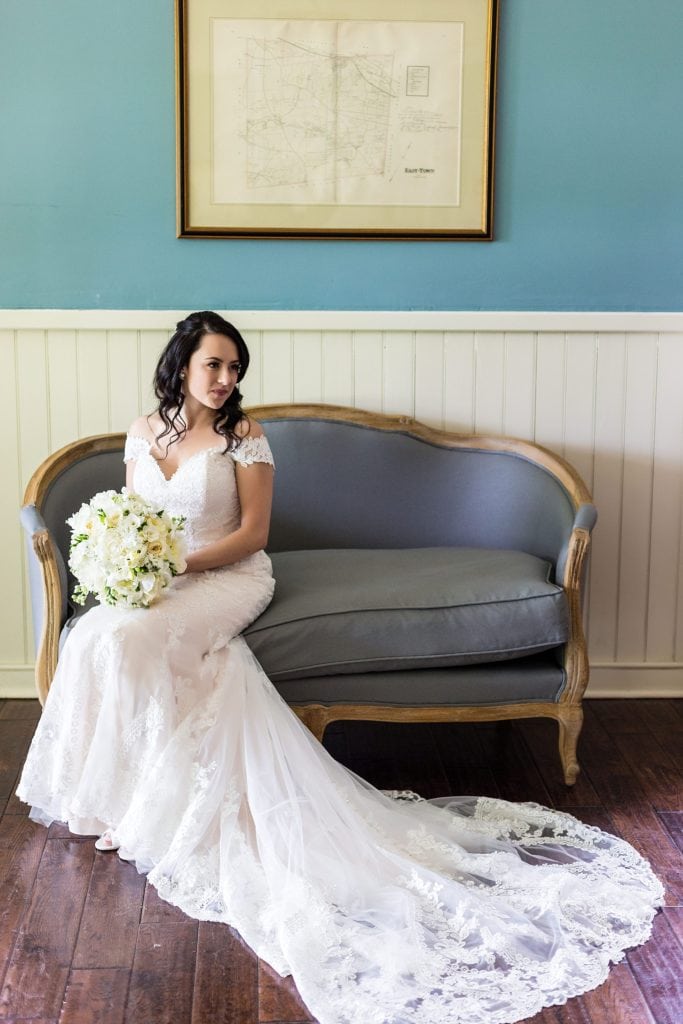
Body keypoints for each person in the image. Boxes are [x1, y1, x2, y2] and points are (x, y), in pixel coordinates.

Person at [18, 311, 663, 1024]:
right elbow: (133, 515)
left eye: (236, 368)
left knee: (133, 643)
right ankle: (120, 790)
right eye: (214, 365)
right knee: (97, 638)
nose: (227, 379)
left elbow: (250, 537)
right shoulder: (142, 432)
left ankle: (150, 805)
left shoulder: (245, 438)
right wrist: (128, 564)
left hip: (228, 577)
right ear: (181, 365)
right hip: (160, 581)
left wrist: (167, 565)